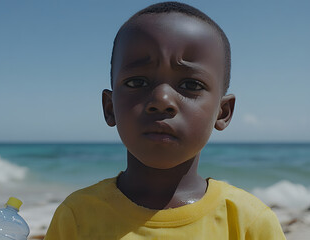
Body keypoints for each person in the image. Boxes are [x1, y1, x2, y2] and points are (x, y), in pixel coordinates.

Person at [44, 2, 286, 239]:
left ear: (223, 113)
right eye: (136, 82)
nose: (161, 100)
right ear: (110, 108)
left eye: (191, 85)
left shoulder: (249, 223)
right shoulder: (76, 217)